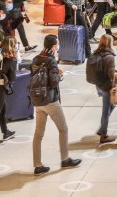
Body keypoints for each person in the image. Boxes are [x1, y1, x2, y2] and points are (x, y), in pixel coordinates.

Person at [29, 34, 81, 174]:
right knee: (63, 129)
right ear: (53, 46)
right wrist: (60, 75)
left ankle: (37, 165)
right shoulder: (51, 61)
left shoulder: (36, 59)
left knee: (38, 134)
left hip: (37, 101)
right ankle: (65, 159)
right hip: (50, 101)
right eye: (57, 44)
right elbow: (53, 81)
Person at [90, 34, 117, 144]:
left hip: (98, 84)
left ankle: (102, 129)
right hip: (106, 87)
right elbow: (111, 75)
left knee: (111, 105)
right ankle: (103, 135)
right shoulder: (109, 57)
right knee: (106, 110)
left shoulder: (96, 54)